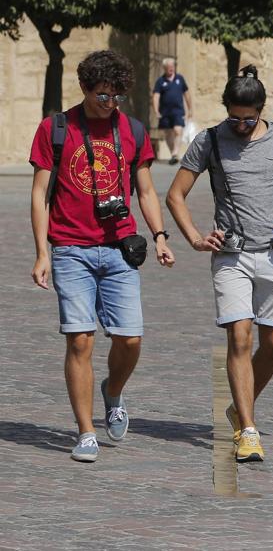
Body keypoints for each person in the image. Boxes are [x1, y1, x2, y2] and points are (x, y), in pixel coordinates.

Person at [29, 49, 176, 463]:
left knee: (130, 339)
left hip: (119, 247)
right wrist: (43, 252)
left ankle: (112, 391)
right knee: (80, 340)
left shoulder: (130, 129)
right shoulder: (56, 128)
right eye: (102, 96)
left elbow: (145, 190)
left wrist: (160, 236)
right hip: (71, 249)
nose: (109, 104)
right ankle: (86, 431)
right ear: (85, 88)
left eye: (116, 96)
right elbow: (40, 194)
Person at [166, 65, 273, 463]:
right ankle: (247, 429)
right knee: (240, 339)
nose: (242, 125)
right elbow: (175, 195)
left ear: (262, 109)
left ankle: (239, 404)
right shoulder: (209, 140)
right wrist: (196, 237)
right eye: (234, 117)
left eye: (249, 118)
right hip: (231, 257)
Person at [151, 57, 193, 165]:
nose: (171, 69)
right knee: (168, 133)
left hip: (178, 111)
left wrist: (190, 109)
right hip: (165, 112)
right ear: (164, 68)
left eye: (172, 66)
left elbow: (187, 94)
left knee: (178, 130)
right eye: (169, 67)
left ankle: (175, 153)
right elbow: (156, 96)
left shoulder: (180, 79)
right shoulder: (160, 81)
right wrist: (156, 111)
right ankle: (173, 154)